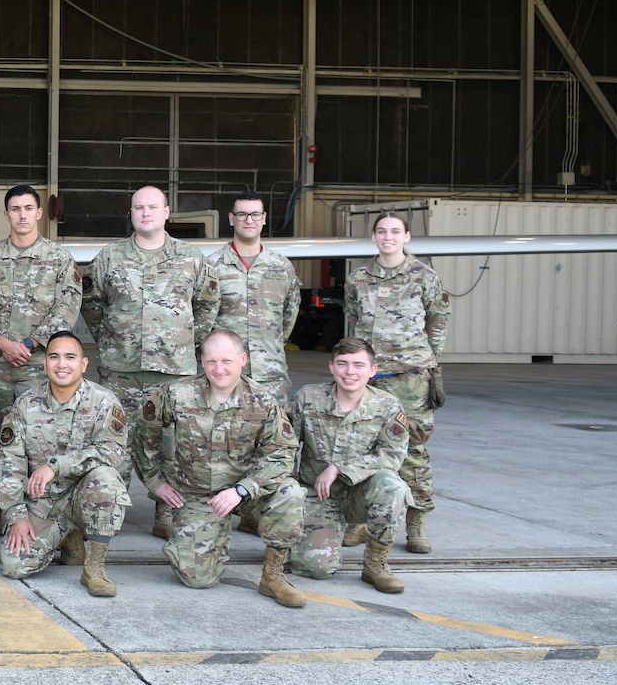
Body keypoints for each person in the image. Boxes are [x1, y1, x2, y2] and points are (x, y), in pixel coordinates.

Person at [131, 329, 308, 608]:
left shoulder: (262, 401)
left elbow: (282, 453)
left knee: (290, 492)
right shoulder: (177, 394)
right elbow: (143, 435)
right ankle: (208, 536)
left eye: (227, 361)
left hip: (249, 492)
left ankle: (273, 575)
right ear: (202, 362)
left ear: (243, 360)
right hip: (201, 495)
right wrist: (154, 481)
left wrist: (243, 489)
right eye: (211, 361)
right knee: (197, 578)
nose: (219, 369)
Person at [80, 185, 216, 539]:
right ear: (131, 213)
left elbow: (207, 306)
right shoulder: (109, 258)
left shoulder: (192, 258)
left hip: (174, 371)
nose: (145, 213)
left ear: (167, 212)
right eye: (138, 208)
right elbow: (92, 305)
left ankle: (167, 511)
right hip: (120, 369)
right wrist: (112, 340)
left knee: (171, 444)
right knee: (115, 443)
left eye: (152, 207)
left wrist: (188, 342)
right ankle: (111, 510)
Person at [0, 183, 80, 542]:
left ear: (39, 213)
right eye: (15, 209)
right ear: (6, 214)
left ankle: (39, 511)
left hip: (39, 367)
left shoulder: (59, 260)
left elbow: (67, 307)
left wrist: (30, 343)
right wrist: (2, 341)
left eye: (29, 208)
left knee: (41, 442)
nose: (22, 215)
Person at [344, 213, 450, 554]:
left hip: (410, 377)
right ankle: (361, 520)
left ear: (406, 236)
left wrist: (426, 364)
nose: (387, 237)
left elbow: (437, 321)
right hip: (367, 377)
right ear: (373, 237)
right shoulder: (358, 277)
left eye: (394, 231)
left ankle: (416, 522)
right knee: (360, 446)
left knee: (413, 449)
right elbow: (353, 319)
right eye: (381, 231)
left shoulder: (424, 276)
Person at [0, 331, 130, 598]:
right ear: (44, 363)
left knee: (106, 478)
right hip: (44, 502)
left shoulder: (104, 402)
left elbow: (112, 452)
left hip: (86, 496)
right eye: (54, 357)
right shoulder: (24, 405)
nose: (61, 364)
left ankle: (94, 567)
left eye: (70, 357)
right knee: (14, 565)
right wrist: (17, 517)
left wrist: (56, 465)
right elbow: (8, 465)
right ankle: (67, 536)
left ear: (83, 364)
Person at [287, 337, 412, 594]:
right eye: (343, 364)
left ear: (372, 370)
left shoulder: (387, 406)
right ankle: (312, 535)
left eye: (358, 365)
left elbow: (391, 456)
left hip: (361, 494)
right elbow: (284, 445)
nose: (350, 372)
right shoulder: (308, 398)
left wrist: (339, 468)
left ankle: (376, 564)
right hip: (318, 496)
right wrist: (289, 493)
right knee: (315, 569)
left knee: (393, 487)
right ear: (332, 367)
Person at [205, 191, 301, 402]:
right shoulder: (212, 266)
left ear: (264, 219)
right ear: (231, 218)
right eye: (242, 214)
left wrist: (269, 345)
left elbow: (289, 316)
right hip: (225, 375)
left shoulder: (282, 267)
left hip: (270, 374)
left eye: (255, 214)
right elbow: (202, 319)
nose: (249, 220)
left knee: (271, 433)